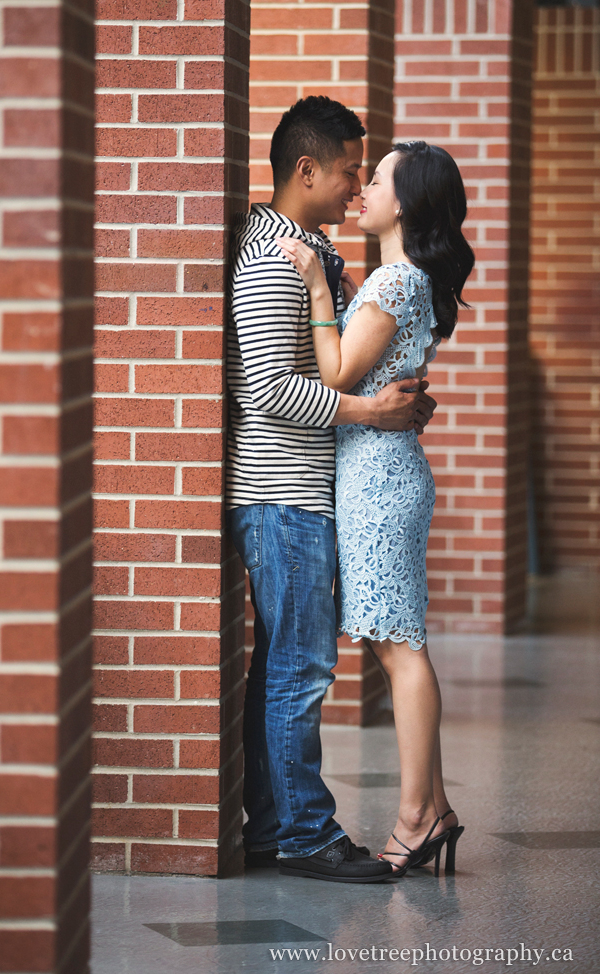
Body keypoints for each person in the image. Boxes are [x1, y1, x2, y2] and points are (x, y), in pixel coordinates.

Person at [225, 96, 437, 884]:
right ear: (305, 169)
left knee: (287, 666)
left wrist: (388, 400)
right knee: (301, 669)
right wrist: (369, 411)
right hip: (283, 496)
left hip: (307, 494)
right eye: (350, 170)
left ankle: (273, 829)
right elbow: (268, 390)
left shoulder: (307, 248)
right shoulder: (274, 255)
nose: (356, 187)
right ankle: (307, 838)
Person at [277, 140, 475, 876]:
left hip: (380, 483)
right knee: (398, 645)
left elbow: (336, 373)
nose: (363, 188)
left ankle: (417, 817)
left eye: (380, 179)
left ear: (407, 203)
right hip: (379, 476)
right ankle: (438, 807)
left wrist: (320, 292)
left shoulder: (397, 282)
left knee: (399, 649)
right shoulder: (403, 278)